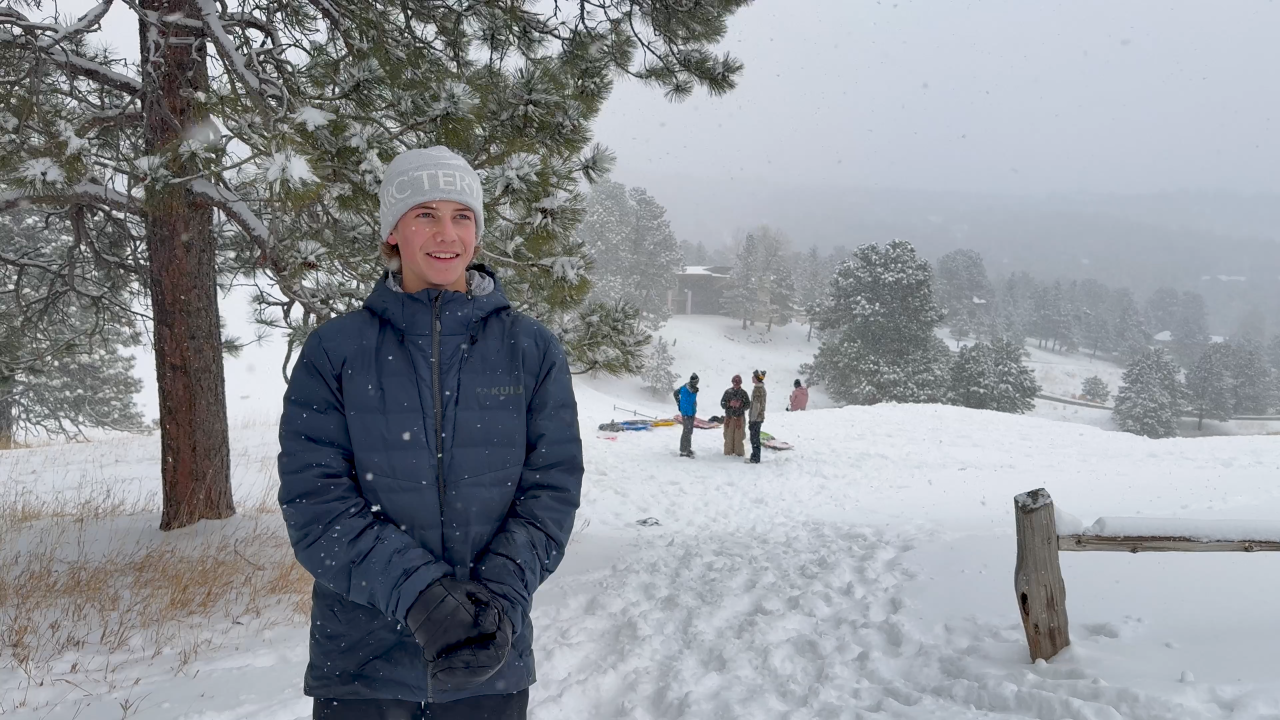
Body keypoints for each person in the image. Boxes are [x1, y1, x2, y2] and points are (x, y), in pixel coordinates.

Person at [278, 146, 583, 720]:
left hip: (489, 664)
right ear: (393, 230)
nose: (446, 233)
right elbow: (315, 504)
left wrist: (494, 603)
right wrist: (420, 597)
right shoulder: (336, 351)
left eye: (461, 216)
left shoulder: (531, 349)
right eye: (425, 214)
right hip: (363, 669)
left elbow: (551, 492)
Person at [719, 374, 750, 456]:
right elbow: (722, 404)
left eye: (738, 382)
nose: (736, 384)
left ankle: (739, 453)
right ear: (732, 382)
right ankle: (728, 453)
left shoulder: (743, 393)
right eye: (735, 382)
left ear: (740, 383)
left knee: (739, 437)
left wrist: (740, 405)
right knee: (728, 436)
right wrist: (729, 403)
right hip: (729, 417)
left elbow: (748, 405)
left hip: (739, 418)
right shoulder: (728, 392)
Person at [673, 373, 699, 458]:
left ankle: (688, 448)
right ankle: (683, 451)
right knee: (686, 430)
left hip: (691, 411)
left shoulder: (693, 388)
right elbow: (675, 393)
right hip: (686, 412)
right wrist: (679, 404)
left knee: (689, 430)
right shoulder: (685, 387)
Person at [747, 369, 767, 464]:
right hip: (759, 417)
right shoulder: (761, 389)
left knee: (754, 438)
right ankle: (755, 455)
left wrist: (752, 420)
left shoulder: (757, 390)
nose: (752, 378)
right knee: (755, 437)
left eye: (753, 376)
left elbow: (756, 406)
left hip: (756, 418)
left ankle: (755, 457)